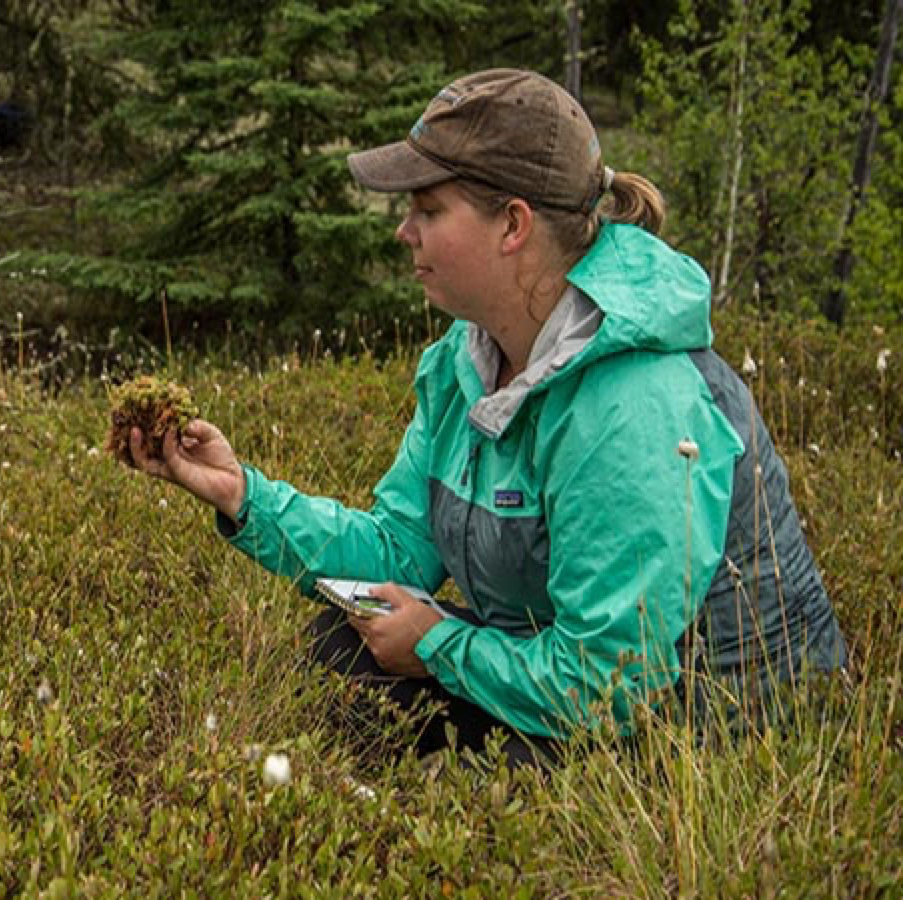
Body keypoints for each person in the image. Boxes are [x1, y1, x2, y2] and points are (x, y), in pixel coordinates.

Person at [128, 69, 846, 765]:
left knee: (419, 719)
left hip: (702, 734)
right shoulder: (466, 361)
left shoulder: (632, 402)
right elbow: (396, 554)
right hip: (578, 680)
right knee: (344, 651)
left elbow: (608, 687)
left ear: (512, 225)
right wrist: (240, 494)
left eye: (429, 210)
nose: (405, 231)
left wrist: (438, 646)